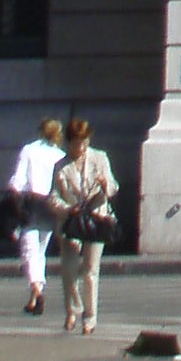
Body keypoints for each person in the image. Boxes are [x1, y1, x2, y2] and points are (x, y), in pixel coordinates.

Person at [49, 117, 119, 334]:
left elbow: (113, 188)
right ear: (68, 142)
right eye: (76, 143)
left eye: (84, 142)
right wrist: (68, 209)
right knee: (69, 270)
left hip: (96, 220)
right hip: (71, 222)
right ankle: (72, 311)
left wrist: (106, 184)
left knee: (90, 271)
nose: (80, 147)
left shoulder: (99, 158)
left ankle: (90, 318)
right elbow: (53, 197)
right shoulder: (61, 166)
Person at [6, 115, 64, 314]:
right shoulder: (60, 156)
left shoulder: (29, 150)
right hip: (50, 205)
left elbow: (18, 180)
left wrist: (13, 194)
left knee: (29, 250)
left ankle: (38, 291)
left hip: (31, 203)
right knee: (40, 250)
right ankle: (33, 299)